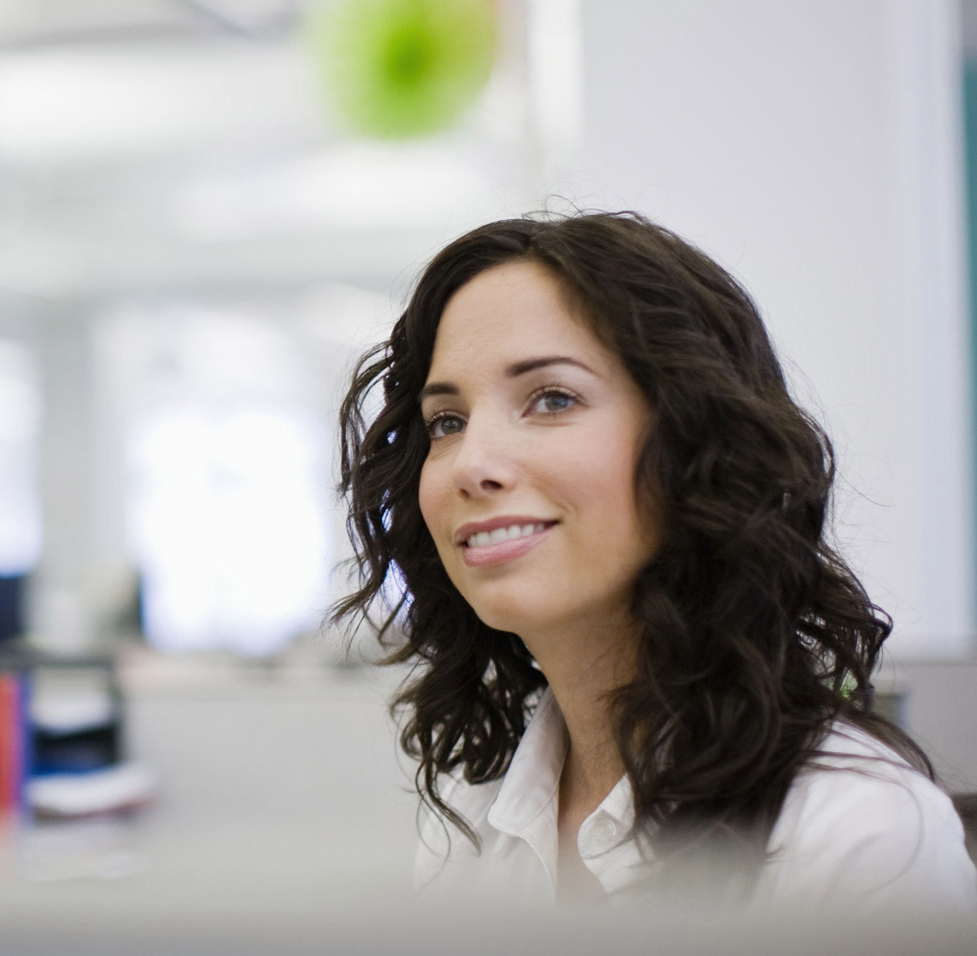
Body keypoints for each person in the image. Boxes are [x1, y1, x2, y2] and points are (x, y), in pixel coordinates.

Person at [333, 211, 977, 913]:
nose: (472, 464)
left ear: (696, 446)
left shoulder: (856, 835)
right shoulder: (473, 808)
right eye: (446, 422)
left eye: (551, 400)